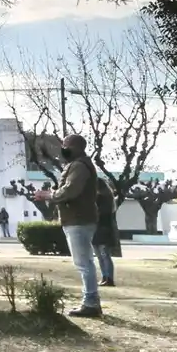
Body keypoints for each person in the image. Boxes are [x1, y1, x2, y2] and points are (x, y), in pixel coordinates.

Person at [45, 133, 102, 318]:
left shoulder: (79, 166)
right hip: (78, 219)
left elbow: (71, 190)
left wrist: (49, 196)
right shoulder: (77, 164)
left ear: (75, 147)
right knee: (84, 262)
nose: (63, 148)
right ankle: (90, 301)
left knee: (84, 263)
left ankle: (91, 303)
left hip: (79, 220)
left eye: (65, 145)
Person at [93, 178, 121, 288]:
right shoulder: (106, 198)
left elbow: (100, 213)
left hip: (102, 229)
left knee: (103, 255)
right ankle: (106, 277)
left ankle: (108, 277)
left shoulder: (103, 198)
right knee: (102, 255)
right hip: (102, 229)